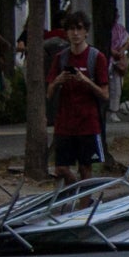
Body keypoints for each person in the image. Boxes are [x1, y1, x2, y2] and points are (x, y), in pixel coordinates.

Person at [46, 12, 113, 183]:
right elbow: (49, 92)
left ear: (86, 32)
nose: (75, 33)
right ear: (66, 33)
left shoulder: (96, 57)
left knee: (85, 168)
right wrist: (58, 81)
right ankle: (76, 190)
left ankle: (85, 202)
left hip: (88, 123)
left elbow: (105, 94)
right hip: (64, 123)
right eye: (71, 29)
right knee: (60, 168)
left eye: (79, 29)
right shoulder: (61, 58)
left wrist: (86, 81)